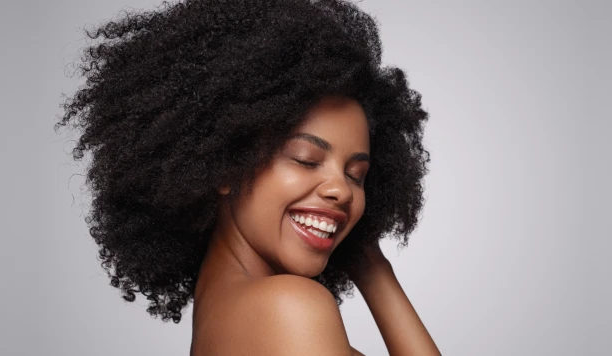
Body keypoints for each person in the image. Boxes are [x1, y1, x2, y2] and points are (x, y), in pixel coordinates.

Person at [56, 0, 439, 354]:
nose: (341, 189)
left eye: (356, 174)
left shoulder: (227, 316)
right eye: (306, 159)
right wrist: (377, 275)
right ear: (227, 164)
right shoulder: (289, 309)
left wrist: (371, 266)